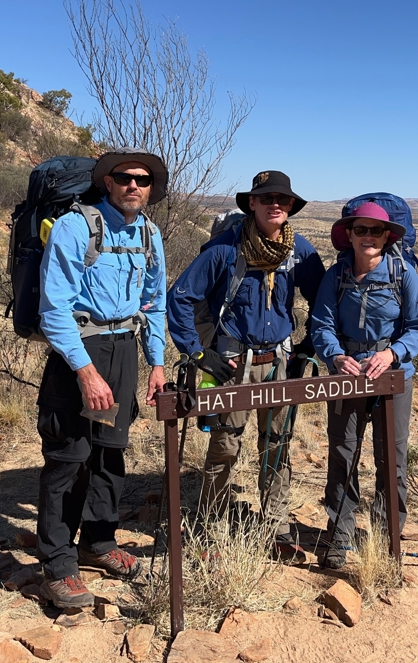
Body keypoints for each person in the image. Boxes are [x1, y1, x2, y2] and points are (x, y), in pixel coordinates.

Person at [168, 171, 325, 560]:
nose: (276, 204)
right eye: (267, 198)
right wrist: (198, 353)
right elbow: (181, 297)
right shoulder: (225, 249)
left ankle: (276, 527)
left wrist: (308, 346)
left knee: (277, 445)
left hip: (281, 361)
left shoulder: (299, 251)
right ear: (251, 204)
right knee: (225, 445)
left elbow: (324, 302)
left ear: (291, 208)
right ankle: (211, 525)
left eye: (284, 200)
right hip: (234, 363)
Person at [35, 148, 167, 608]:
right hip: (80, 355)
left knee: (110, 457)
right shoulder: (76, 227)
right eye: (124, 177)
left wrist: (156, 364)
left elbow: (154, 304)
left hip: (123, 353)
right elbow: (53, 311)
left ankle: (99, 541)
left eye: (143, 179)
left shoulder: (149, 234)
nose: (134, 185)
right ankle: (57, 564)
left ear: (151, 189)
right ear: (107, 182)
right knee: (68, 459)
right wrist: (85, 372)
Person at [310, 201, 418, 569]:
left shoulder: (402, 274)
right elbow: (321, 324)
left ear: (386, 236)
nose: (368, 237)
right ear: (349, 234)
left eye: (375, 231)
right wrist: (335, 356)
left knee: (390, 458)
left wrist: (392, 354)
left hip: (392, 377)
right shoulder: (337, 275)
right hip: (346, 377)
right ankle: (340, 535)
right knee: (343, 454)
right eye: (360, 230)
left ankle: (385, 538)